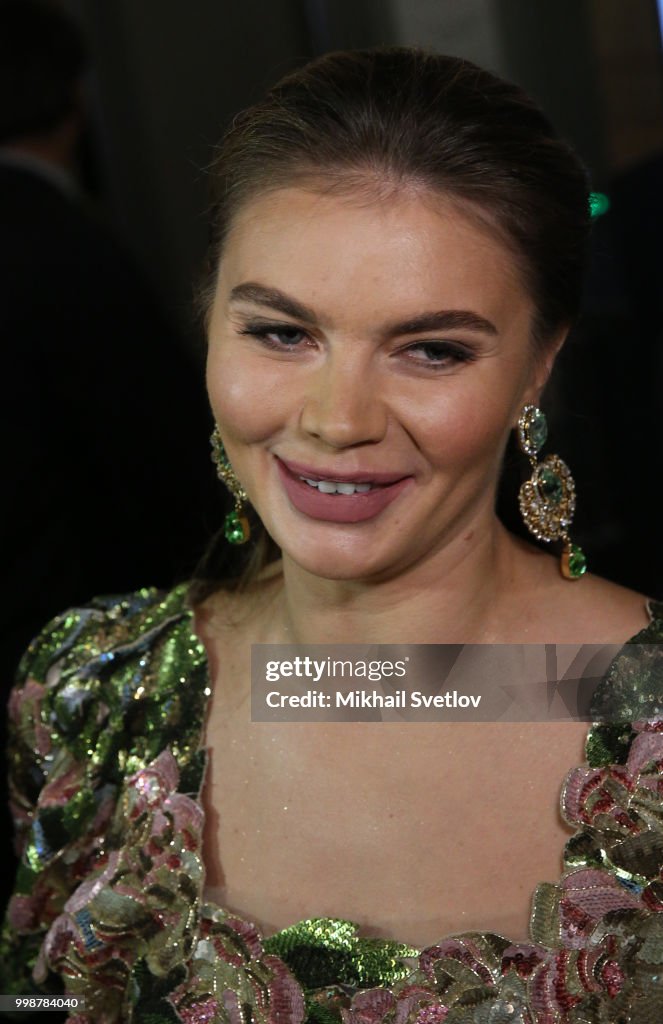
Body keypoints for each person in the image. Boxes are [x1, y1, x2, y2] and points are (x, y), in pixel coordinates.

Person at [1, 46, 663, 1024]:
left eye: (431, 349)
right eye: (281, 332)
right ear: (209, 322)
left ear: (538, 365)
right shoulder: (89, 696)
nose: (336, 417)